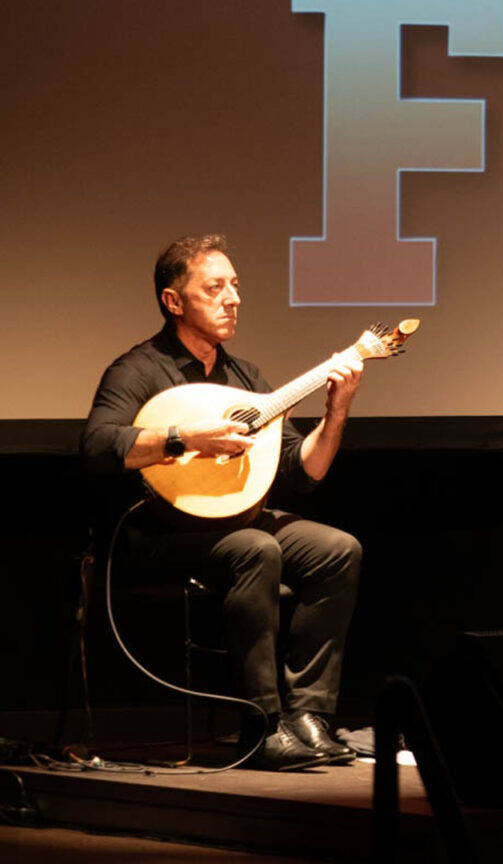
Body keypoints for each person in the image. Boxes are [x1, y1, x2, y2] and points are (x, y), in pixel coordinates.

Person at [81, 235, 364, 769]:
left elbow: (304, 472)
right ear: (173, 301)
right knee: (257, 549)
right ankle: (261, 726)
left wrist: (337, 410)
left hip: (236, 522)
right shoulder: (137, 371)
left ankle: (308, 715)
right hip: (160, 534)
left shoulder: (245, 379)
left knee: (337, 549)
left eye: (235, 285)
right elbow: (97, 446)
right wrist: (184, 439)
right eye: (215, 287)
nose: (233, 297)